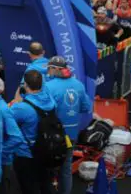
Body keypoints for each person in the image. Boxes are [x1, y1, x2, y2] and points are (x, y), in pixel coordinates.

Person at [45, 56, 92, 194]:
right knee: (66, 169)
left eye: (49, 69)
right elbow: (86, 107)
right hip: (71, 135)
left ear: (55, 69)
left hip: (53, 135)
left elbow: (44, 111)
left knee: (48, 168)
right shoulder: (78, 84)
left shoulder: (49, 86)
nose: (48, 72)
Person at [10, 70, 56, 193]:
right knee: (45, 183)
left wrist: (16, 100)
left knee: (29, 187)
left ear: (25, 85)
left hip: (27, 154)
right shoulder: (50, 101)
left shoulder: (22, 108)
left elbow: (7, 120)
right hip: (46, 150)